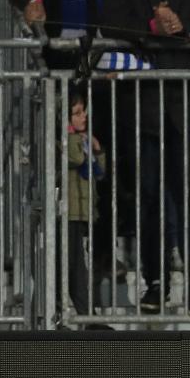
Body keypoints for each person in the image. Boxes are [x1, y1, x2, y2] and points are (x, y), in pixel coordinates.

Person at [102, 0, 190, 317]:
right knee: (148, 197)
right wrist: (151, 27)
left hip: (189, 105)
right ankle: (155, 280)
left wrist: (183, 26)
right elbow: (109, 22)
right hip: (143, 107)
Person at [65, 91, 106, 319]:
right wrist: (72, 136)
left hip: (81, 212)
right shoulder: (65, 141)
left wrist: (97, 150)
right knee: (74, 267)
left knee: (74, 266)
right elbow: (76, 158)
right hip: (68, 213)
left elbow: (98, 172)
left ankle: (87, 314)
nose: (84, 117)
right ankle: (88, 315)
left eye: (85, 112)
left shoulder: (83, 140)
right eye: (77, 113)